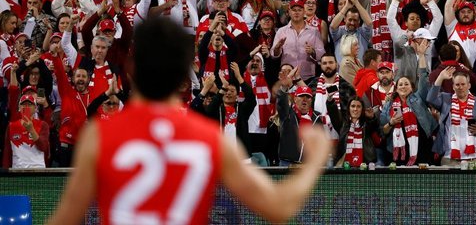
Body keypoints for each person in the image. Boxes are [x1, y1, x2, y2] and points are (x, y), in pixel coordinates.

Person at [47, 17, 331, 224]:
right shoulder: (211, 140)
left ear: (132, 68)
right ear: (185, 73)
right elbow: (279, 207)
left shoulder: (99, 137)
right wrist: (315, 159)